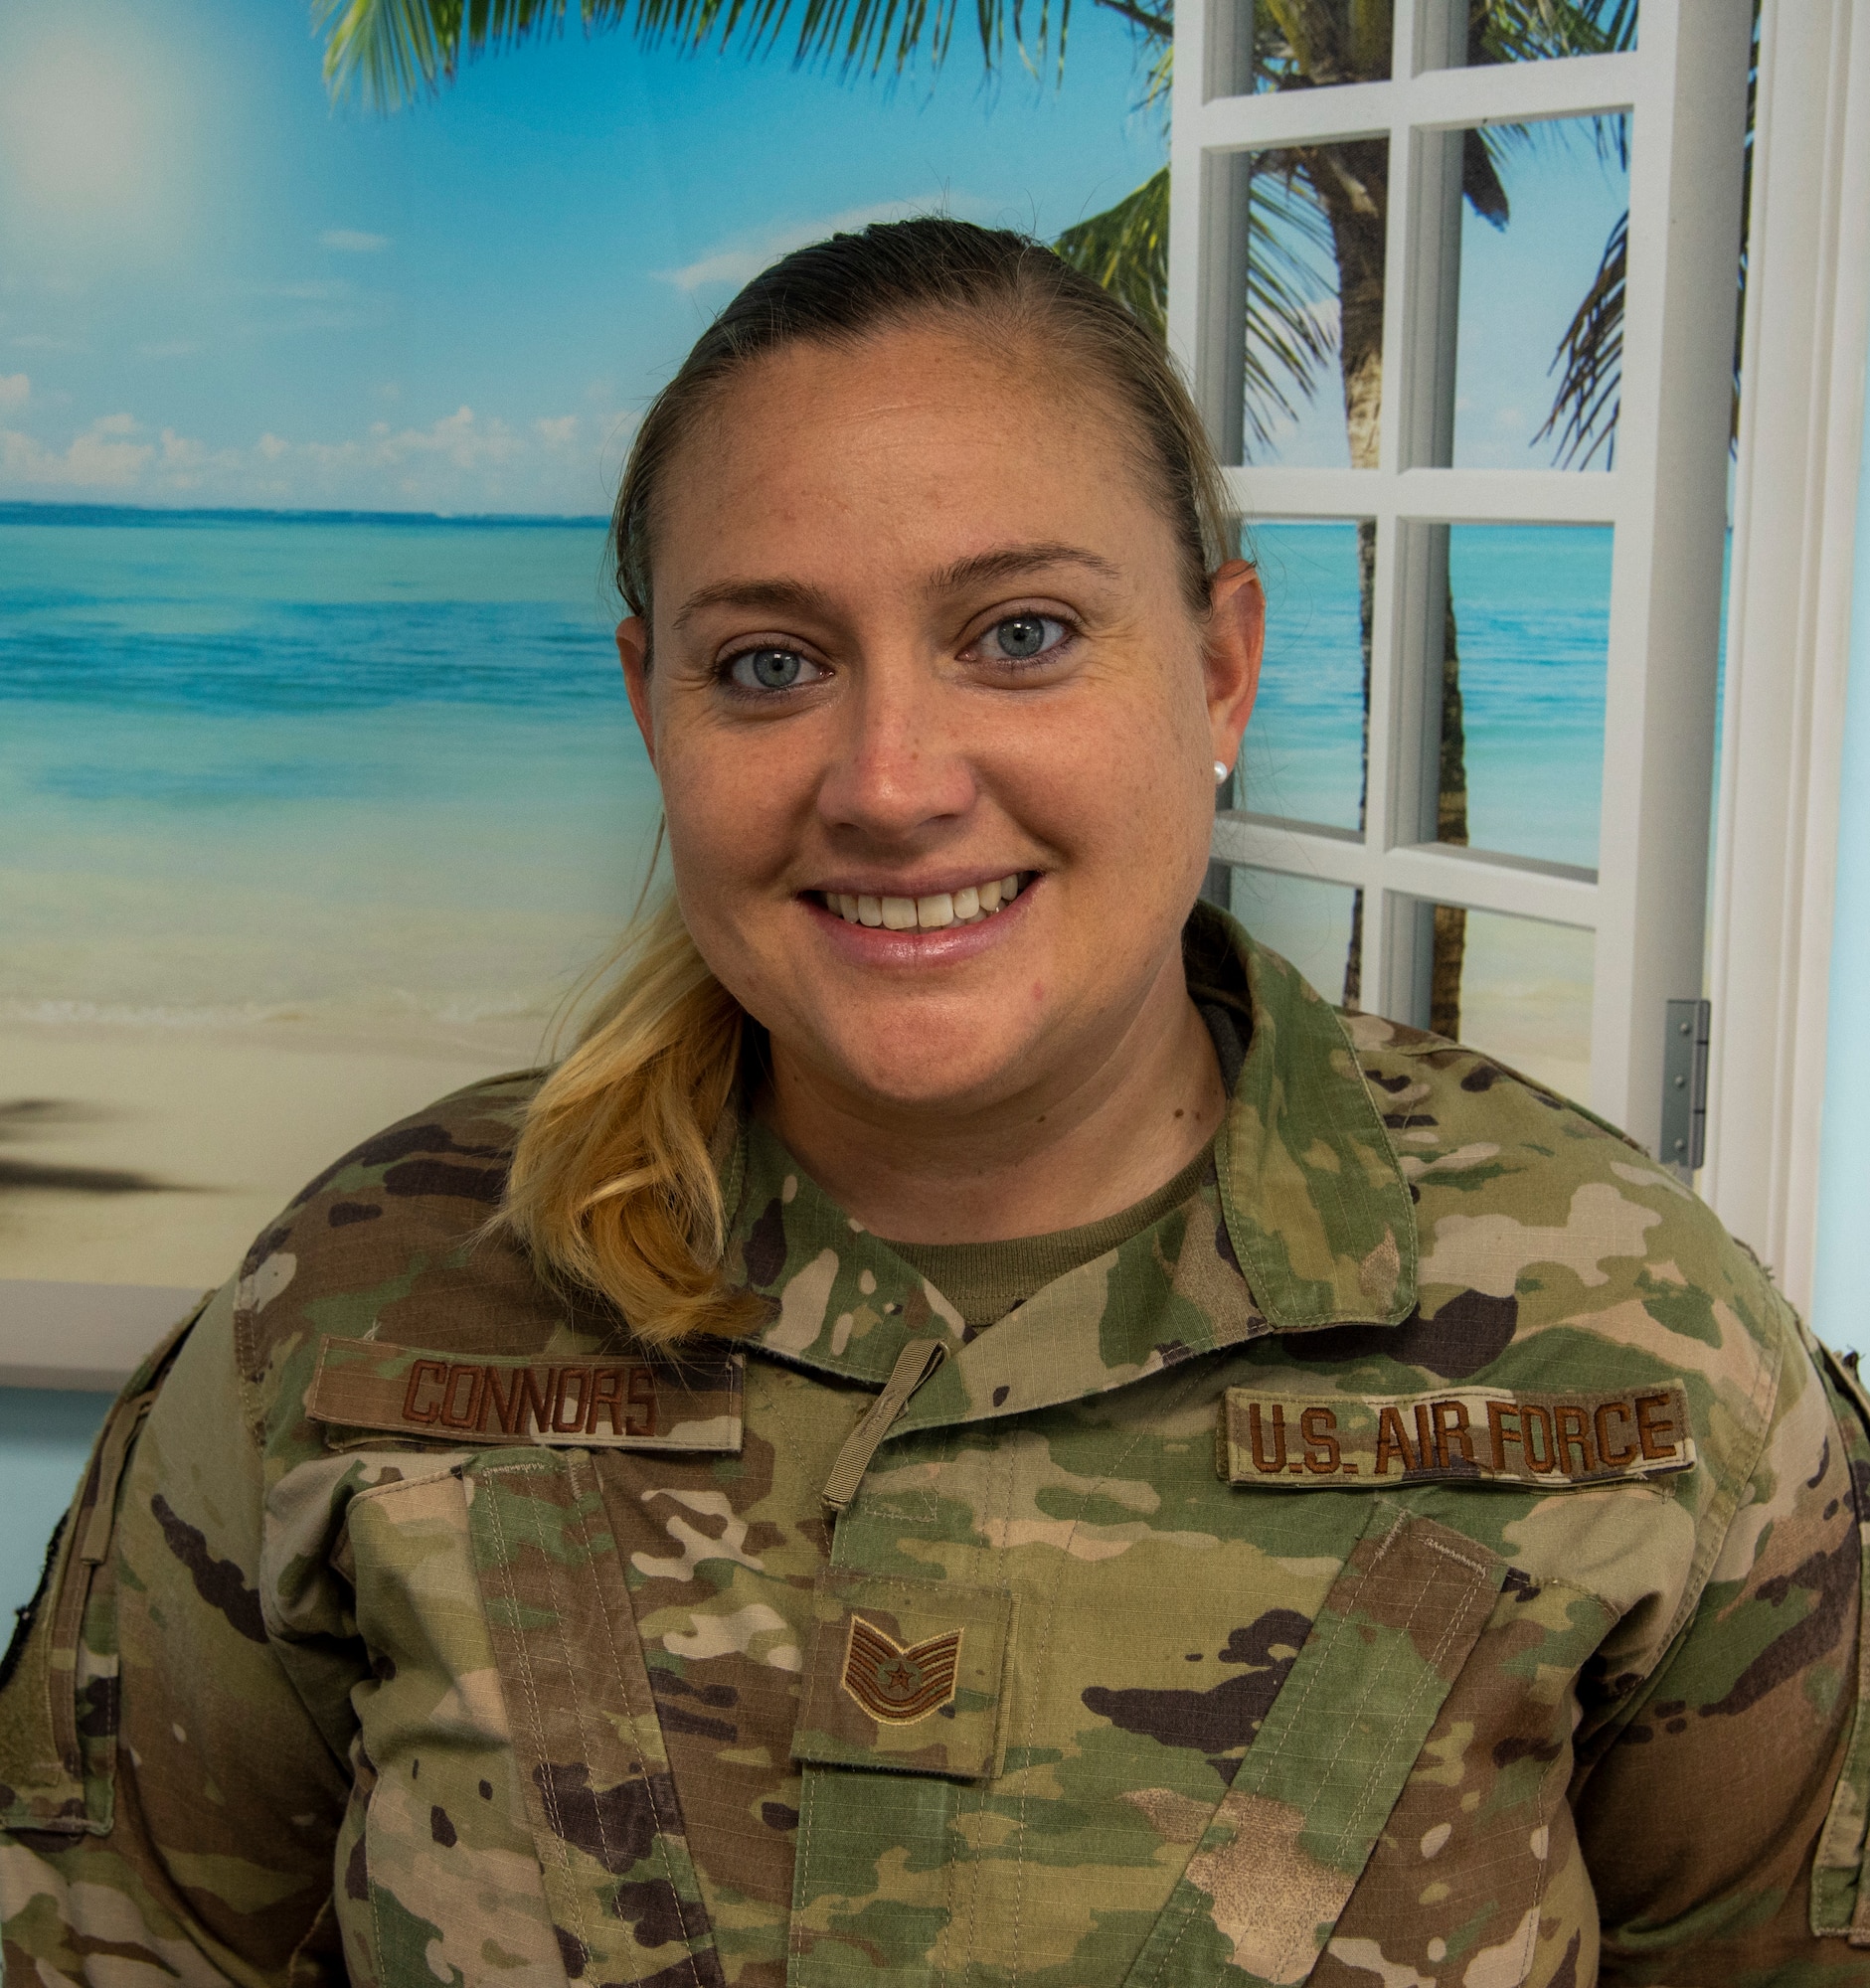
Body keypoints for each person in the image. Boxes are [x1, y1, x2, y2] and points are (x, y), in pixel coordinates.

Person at [2, 217, 1867, 1988]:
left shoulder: (1625, 1336)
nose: (889, 781)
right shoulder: (355, 1302)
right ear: (653, 706)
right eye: (770, 666)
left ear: (1218, 666)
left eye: (1022, 634)